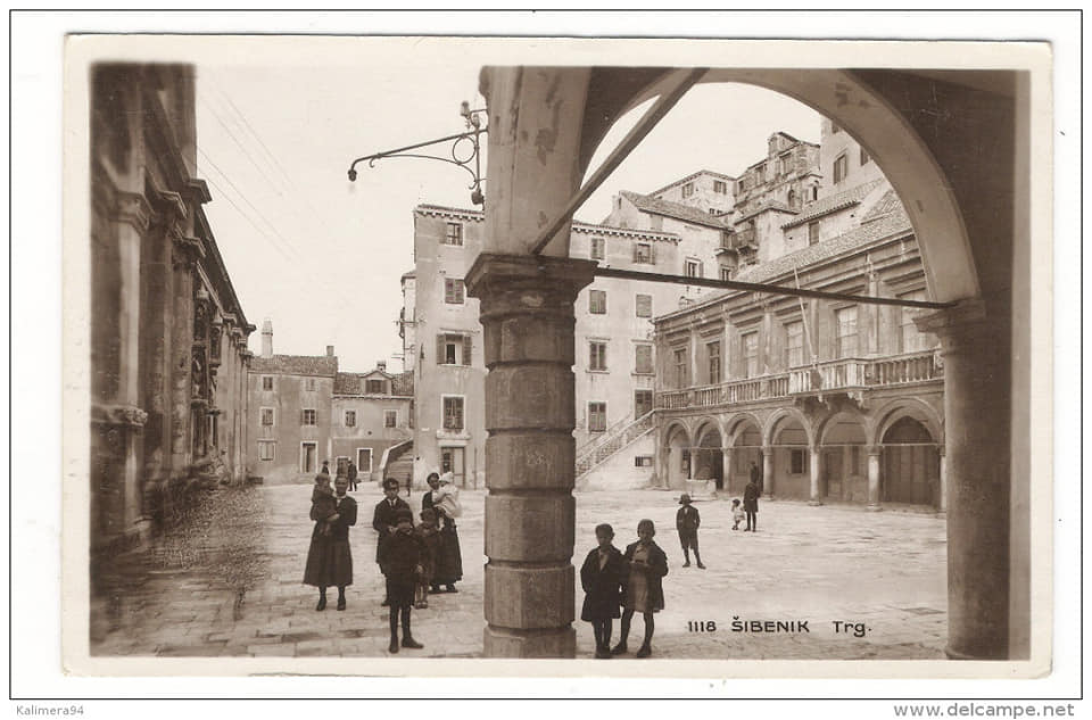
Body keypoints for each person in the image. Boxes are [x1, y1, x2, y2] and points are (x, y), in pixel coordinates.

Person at [612, 519, 668, 659]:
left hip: (648, 589)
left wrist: (648, 569)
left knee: (647, 616)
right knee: (627, 614)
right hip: (631, 586)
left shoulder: (657, 551)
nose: (644, 536)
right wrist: (629, 565)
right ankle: (623, 642)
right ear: (638, 533)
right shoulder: (631, 548)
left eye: (648, 533)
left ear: (653, 534)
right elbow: (622, 563)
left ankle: (646, 645)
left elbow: (664, 570)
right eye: (642, 532)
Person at [302, 475, 357, 612]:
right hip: (323, 539)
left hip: (340, 538)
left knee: (341, 569)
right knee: (322, 567)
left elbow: (352, 521)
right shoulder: (325, 498)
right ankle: (322, 598)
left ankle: (341, 598)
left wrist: (337, 518)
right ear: (335, 484)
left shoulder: (351, 502)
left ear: (347, 485)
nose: (341, 486)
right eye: (338, 483)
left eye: (344, 483)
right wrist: (325, 516)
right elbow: (314, 514)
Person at [379, 508, 425, 653]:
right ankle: (394, 639)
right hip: (394, 579)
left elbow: (426, 554)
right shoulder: (391, 538)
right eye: (401, 522)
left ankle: (407, 637)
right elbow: (381, 557)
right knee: (394, 609)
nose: (405, 525)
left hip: (409, 578)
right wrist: (388, 572)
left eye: (407, 521)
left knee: (406, 608)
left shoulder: (416, 537)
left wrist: (420, 565)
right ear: (397, 524)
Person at [580, 523, 624, 659]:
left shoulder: (617, 555)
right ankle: (599, 645)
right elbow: (584, 571)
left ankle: (606, 644)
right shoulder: (593, 554)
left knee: (608, 621)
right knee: (597, 621)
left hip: (610, 595)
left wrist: (619, 590)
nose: (603, 540)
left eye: (606, 537)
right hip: (594, 595)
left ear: (612, 537)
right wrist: (587, 588)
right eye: (600, 538)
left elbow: (622, 574)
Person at [422, 472, 464, 593]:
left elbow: (453, 507)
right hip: (434, 530)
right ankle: (435, 585)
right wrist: (435, 512)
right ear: (429, 484)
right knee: (435, 557)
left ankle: (450, 583)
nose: (434, 483)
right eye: (431, 482)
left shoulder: (446, 493)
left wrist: (446, 511)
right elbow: (425, 512)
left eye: (436, 481)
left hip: (447, 529)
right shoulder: (427, 497)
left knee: (449, 556)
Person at [373, 478, 412, 606]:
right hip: (386, 543)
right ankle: (390, 597)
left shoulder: (404, 505)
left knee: (404, 570)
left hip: (402, 543)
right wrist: (387, 528)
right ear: (385, 491)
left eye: (394, 489)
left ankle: (404, 596)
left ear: (398, 490)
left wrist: (401, 528)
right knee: (388, 571)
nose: (392, 492)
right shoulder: (380, 507)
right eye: (389, 490)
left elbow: (410, 523)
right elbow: (376, 523)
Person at [413, 508, 441, 609]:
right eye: (426, 520)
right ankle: (418, 598)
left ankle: (425, 598)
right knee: (417, 579)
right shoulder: (417, 530)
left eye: (430, 520)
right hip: (418, 558)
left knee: (426, 579)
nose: (428, 522)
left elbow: (439, 544)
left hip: (429, 559)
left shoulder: (436, 531)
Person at [676, 494, 705, 569]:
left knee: (695, 547)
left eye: (686, 502)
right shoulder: (680, 511)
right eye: (684, 502)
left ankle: (699, 562)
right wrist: (679, 530)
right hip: (683, 532)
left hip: (692, 531)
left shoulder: (694, 510)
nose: (685, 503)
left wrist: (695, 528)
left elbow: (698, 520)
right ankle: (687, 561)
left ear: (689, 502)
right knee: (685, 547)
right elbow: (677, 521)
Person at [310, 473, 337, 537]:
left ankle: (326, 528)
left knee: (328, 520)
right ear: (320, 481)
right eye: (327, 481)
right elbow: (315, 498)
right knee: (323, 519)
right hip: (321, 508)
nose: (328, 483)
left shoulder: (328, 488)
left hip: (328, 507)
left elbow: (333, 494)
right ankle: (323, 529)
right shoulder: (318, 488)